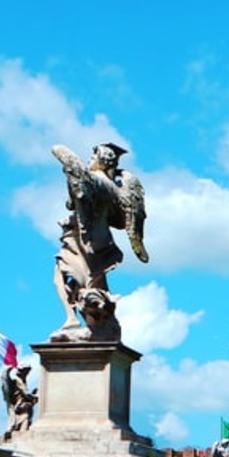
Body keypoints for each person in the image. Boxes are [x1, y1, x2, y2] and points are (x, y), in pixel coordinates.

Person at [51, 143, 148, 341]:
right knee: (93, 284)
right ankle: (101, 326)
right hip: (102, 240)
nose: (90, 159)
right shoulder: (117, 188)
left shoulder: (92, 179)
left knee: (66, 279)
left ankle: (74, 319)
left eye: (93, 155)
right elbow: (121, 222)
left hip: (83, 238)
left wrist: (72, 177)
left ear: (102, 159)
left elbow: (76, 200)